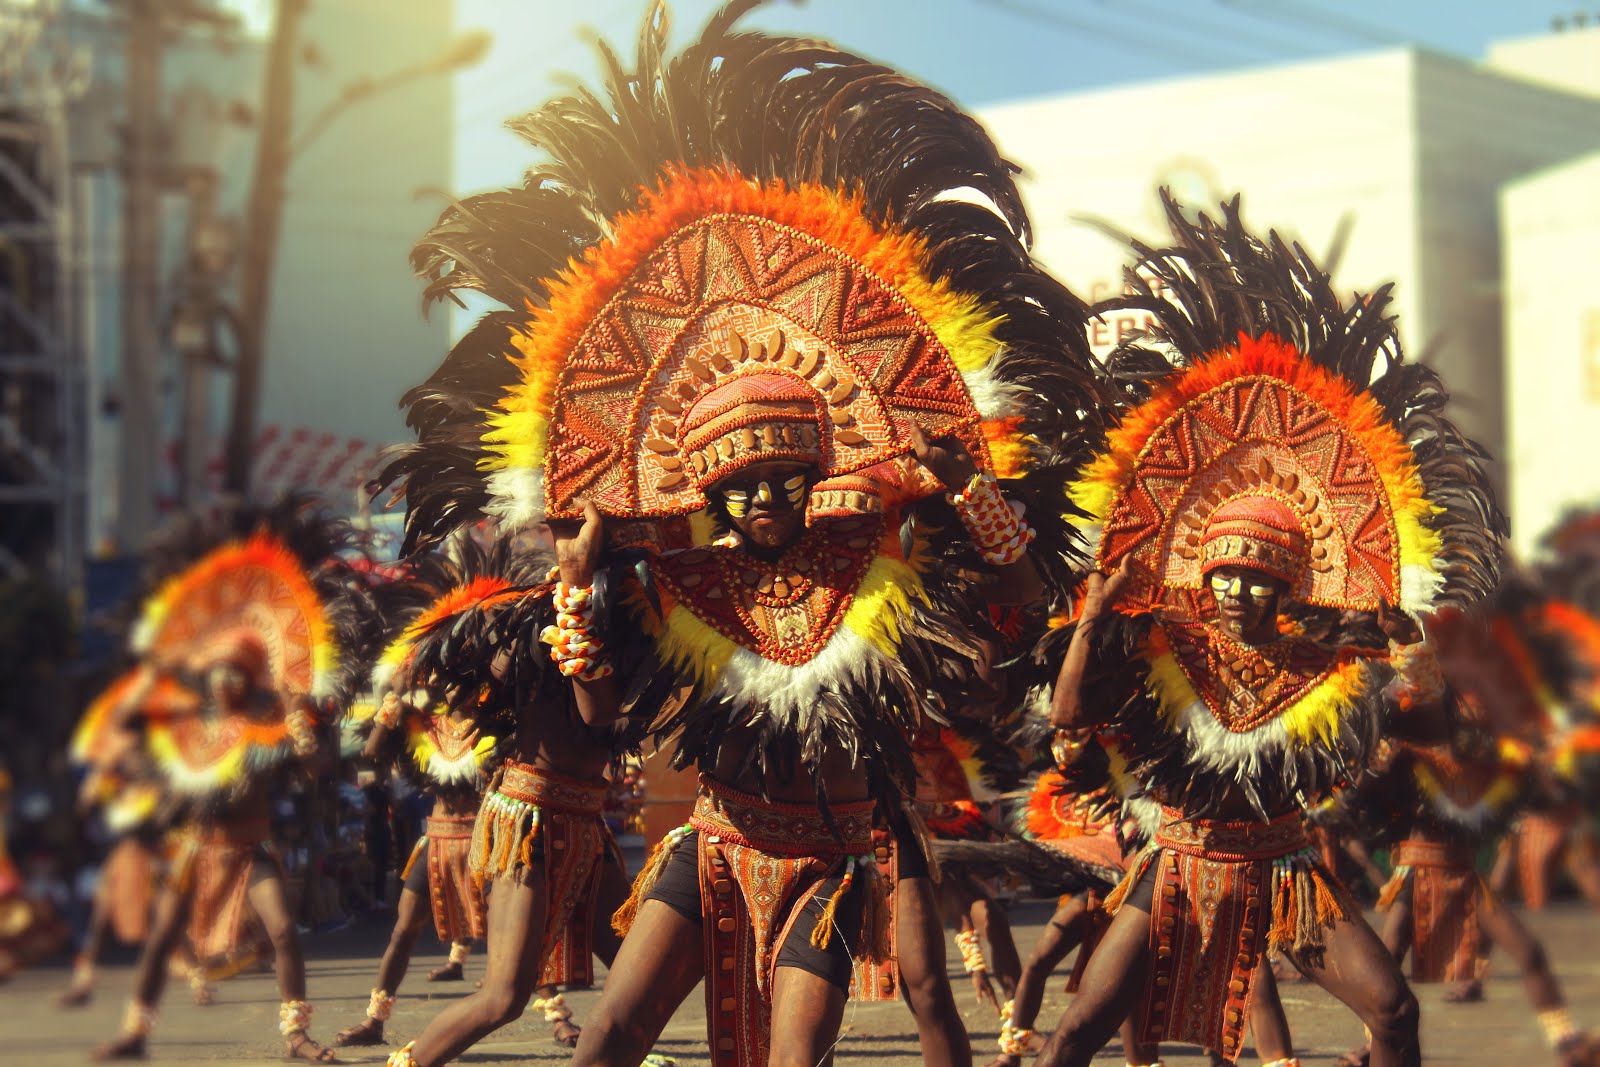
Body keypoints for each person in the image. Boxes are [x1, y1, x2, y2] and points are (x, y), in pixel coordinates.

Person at [370, 8, 1104, 1066]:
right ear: (709, 486)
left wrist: (972, 499)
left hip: (838, 852)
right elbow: (608, 713)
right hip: (714, 839)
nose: (764, 498)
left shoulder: (877, 562)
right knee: (612, 1029)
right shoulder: (679, 576)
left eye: (785, 478)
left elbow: (1027, 605)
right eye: (742, 482)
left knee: (794, 1058)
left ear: (815, 475)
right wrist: (578, 596)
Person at [1033, 194, 1502, 1067]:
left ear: (1287, 583)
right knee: (1076, 1029)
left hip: (1285, 869)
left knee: (1394, 1011)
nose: (1242, 590)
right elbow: (1066, 725)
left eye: (1259, 577)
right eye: (1228, 574)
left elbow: (1432, 736)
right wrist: (1095, 619)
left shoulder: (1324, 663)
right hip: (1176, 859)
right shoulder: (1163, 646)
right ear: (1204, 576)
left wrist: (1418, 657)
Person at [91, 511, 373, 1064]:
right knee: (161, 940)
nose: (223, 679)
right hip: (198, 848)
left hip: (252, 847)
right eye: (216, 671)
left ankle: (296, 1035)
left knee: (285, 931)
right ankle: (135, 1032)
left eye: (234, 672)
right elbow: (142, 753)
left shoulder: (262, 729)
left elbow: (311, 768)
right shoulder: (187, 728)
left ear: (244, 680)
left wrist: (300, 725)